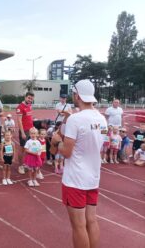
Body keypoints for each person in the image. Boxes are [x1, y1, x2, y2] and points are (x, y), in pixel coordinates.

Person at [52, 79, 107, 248]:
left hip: (75, 179)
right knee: (92, 221)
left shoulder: (76, 119)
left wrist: (55, 142)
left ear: (77, 95)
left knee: (79, 226)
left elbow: (66, 152)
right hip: (93, 177)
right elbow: (101, 142)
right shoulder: (102, 119)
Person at [16, 92, 34, 174]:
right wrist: (22, 132)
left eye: (31, 98)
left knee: (29, 147)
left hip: (30, 130)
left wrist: (33, 127)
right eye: (29, 98)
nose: (30, 100)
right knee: (22, 148)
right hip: (24, 130)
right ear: (25, 97)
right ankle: (20, 165)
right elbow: (19, 121)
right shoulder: (20, 107)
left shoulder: (30, 105)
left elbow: (29, 117)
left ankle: (26, 164)